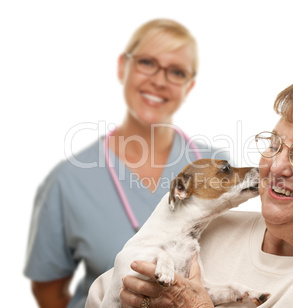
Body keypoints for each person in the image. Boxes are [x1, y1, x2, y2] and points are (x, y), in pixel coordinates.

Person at [86, 77, 293, 307]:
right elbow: (103, 294)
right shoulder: (210, 225)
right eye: (274, 145)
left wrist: (193, 305)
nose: (275, 166)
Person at [24, 19, 228, 308]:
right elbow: (48, 290)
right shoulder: (68, 180)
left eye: (176, 72)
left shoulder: (220, 168)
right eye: (147, 62)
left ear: (189, 85)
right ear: (122, 67)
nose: (159, 80)